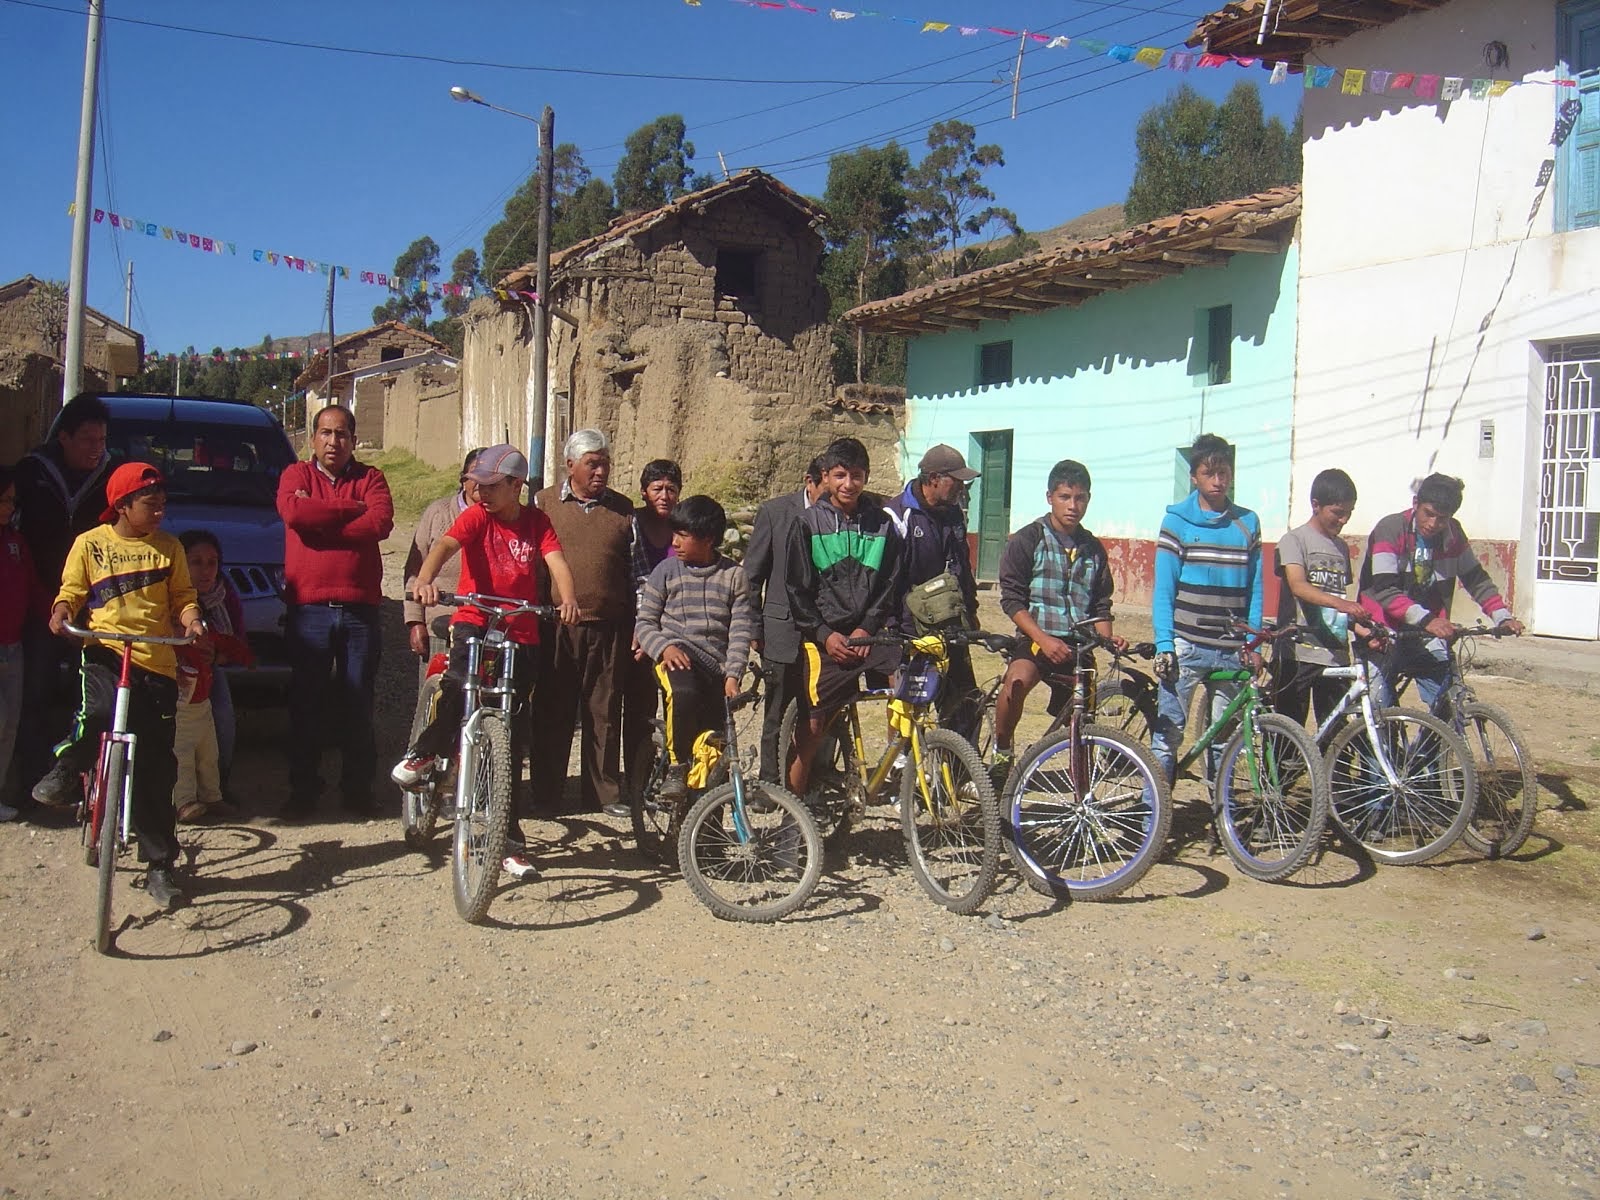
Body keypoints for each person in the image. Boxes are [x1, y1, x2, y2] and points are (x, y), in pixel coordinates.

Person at [393, 445, 580, 877]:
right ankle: (424, 754)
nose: (481, 492)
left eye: (493, 486)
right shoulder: (478, 516)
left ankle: (508, 840)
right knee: (460, 682)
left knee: (512, 736)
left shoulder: (537, 522)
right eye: (478, 484)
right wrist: (424, 582)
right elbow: (444, 545)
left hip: (520, 628)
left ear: (517, 486)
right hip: (474, 617)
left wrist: (567, 598)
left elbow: (557, 563)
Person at [32, 463, 205, 910]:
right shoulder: (90, 545)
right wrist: (62, 611)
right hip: (106, 652)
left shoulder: (169, 549)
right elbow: (71, 590)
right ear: (123, 505)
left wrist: (191, 620)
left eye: (163, 502)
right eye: (151, 503)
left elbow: (184, 598)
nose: (160, 510)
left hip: (156, 660)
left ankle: (160, 864)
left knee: (155, 766)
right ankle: (69, 770)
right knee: (98, 713)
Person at [276, 404, 395, 821]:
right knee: (306, 703)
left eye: (341, 434)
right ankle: (303, 792)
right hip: (309, 609)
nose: (333, 441)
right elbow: (294, 513)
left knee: (357, 702)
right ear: (313, 439)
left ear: (353, 440)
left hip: (360, 609)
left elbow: (380, 523)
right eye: (325, 433)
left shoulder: (371, 478)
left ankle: (358, 791)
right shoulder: (296, 477)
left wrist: (321, 519)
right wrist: (350, 508)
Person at [784, 437, 902, 797]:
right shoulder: (806, 523)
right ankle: (793, 811)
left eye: (857, 475)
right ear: (825, 476)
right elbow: (796, 590)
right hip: (825, 641)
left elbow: (889, 584)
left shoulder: (882, 524)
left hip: (869, 635)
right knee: (814, 725)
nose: (848, 484)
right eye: (840, 475)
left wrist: (867, 627)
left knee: (908, 686)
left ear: (865, 477)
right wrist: (824, 635)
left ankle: (898, 771)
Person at [992, 460, 1121, 787]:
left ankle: (1082, 786)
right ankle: (1002, 751)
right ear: (1050, 497)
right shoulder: (1029, 539)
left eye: (1080, 498)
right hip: (1037, 639)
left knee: (1084, 718)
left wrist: (1109, 639)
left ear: (1088, 500)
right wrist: (1043, 639)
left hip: (1079, 644)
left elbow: (1101, 602)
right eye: (1065, 497)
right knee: (1016, 683)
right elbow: (1012, 599)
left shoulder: (1093, 548)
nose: (1073, 506)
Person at [530, 430, 637, 817]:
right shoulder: (542, 504)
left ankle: (603, 795)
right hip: (557, 627)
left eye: (605, 462)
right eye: (593, 463)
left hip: (609, 627)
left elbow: (635, 572)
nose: (601, 470)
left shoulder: (624, 510)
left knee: (604, 712)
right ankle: (545, 796)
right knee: (552, 711)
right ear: (570, 465)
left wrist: (635, 624)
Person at [13, 391, 112, 799]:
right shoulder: (32, 475)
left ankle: (81, 779)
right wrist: (44, 601)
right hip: (38, 602)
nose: (97, 449)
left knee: (89, 695)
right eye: (88, 439)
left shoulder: (111, 477)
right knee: (33, 693)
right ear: (64, 438)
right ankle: (28, 780)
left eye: (102, 440)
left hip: (93, 607)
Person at [1149, 433, 1263, 785]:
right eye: (1208, 473)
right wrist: (1165, 645)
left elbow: (1255, 589)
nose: (1217, 481)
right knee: (1168, 737)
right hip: (1186, 647)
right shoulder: (1176, 524)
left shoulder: (1248, 524)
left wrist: (1253, 643)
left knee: (1223, 741)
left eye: (1224, 472)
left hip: (1230, 649)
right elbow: (1164, 590)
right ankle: (1152, 813)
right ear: (1194, 477)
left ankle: (1221, 813)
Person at [1358, 473, 1524, 713]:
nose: (1433, 524)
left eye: (1442, 518)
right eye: (1429, 514)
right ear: (1416, 504)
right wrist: (1428, 620)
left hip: (1426, 632)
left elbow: (1476, 579)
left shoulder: (1454, 535)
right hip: (1382, 632)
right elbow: (1384, 590)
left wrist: (1502, 616)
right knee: (1378, 713)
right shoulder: (1391, 528)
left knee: (1447, 705)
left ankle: (1427, 752)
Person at [634, 495, 759, 799]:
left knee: (713, 746)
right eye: (673, 533)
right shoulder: (665, 571)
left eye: (683, 535)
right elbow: (645, 623)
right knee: (683, 693)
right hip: (674, 657)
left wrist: (732, 674)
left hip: (714, 666)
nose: (674, 542)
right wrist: (664, 648)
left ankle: (705, 832)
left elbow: (740, 630)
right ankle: (676, 768)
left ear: (708, 540)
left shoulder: (734, 577)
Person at [884, 444, 981, 738]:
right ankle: (900, 769)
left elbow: (963, 569)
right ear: (934, 478)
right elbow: (888, 580)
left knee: (965, 704)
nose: (962, 488)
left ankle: (959, 773)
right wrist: (894, 631)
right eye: (957, 480)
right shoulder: (896, 516)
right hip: (911, 629)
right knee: (908, 703)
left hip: (951, 626)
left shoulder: (954, 515)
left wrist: (971, 613)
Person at [743, 457, 825, 781]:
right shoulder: (775, 513)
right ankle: (769, 781)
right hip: (780, 630)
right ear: (810, 481)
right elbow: (752, 575)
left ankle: (809, 779)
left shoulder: (838, 519)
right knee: (776, 710)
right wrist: (754, 624)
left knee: (817, 711)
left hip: (822, 634)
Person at [1272, 469, 1370, 728]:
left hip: (1335, 655)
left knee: (1337, 740)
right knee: (1287, 739)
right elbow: (1299, 587)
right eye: (1337, 513)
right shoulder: (1294, 540)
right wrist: (1344, 605)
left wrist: (1360, 627)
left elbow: (1335, 605)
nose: (1344, 520)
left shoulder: (1341, 548)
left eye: (1349, 512)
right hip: (1297, 655)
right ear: (1316, 505)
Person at [174, 530, 253, 823]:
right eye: (196, 562)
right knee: (180, 741)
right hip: (172, 673)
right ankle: (180, 798)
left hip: (208, 672)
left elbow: (239, 641)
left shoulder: (224, 593)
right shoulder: (169, 592)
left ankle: (216, 791)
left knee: (221, 724)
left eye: (212, 562)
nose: (205, 570)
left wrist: (218, 657)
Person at [623, 459, 682, 800]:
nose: (664, 495)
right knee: (639, 704)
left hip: (677, 626)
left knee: (676, 699)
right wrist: (643, 628)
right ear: (644, 492)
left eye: (671, 489)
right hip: (637, 626)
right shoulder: (632, 524)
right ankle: (636, 776)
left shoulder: (683, 526)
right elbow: (634, 579)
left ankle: (674, 769)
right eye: (657, 489)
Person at [403, 448, 484, 677]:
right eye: (474, 475)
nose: (480, 482)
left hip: (485, 627)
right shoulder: (438, 513)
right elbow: (413, 570)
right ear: (463, 478)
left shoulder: (501, 519)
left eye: (488, 475)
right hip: (440, 624)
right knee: (437, 698)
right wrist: (415, 621)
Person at [0, 465, 50, 820]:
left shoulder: (16, 543)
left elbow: (32, 588)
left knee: (9, 725)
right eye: (2, 500)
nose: (7, 508)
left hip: (12, 647)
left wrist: (58, 616)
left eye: (11, 501)